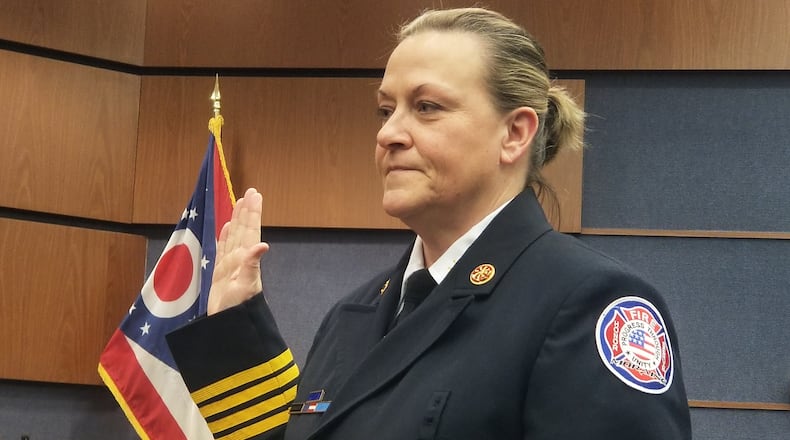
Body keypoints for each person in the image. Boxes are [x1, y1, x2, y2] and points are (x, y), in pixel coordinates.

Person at [167, 7, 692, 439]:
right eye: (385, 109)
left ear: (515, 133)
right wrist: (236, 334)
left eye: (427, 107)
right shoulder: (354, 313)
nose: (389, 133)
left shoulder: (586, 305)